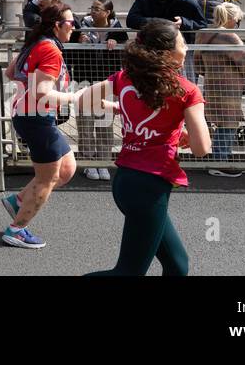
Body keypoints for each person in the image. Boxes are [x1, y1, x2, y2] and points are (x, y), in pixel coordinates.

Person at [83, 20, 211, 276]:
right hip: (148, 188)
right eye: (183, 43)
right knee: (128, 273)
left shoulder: (126, 77)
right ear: (166, 53)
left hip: (127, 182)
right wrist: (192, 127)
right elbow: (202, 148)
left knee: (177, 266)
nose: (186, 48)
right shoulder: (188, 90)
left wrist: (125, 110)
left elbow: (87, 98)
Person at [0, 3, 80, 249]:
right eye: (70, 23)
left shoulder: (37, 43)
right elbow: (41, 92)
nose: (74, 27)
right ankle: (16, 229)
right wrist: (75, 96)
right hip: (35, 118)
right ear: (57, 25)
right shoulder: (50, 49)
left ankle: (19, 201)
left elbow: (11, 73)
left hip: (32, 116)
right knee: (49, 177)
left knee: (67, 168)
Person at [194, 2, 245, 178]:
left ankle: (222, 156)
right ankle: (220, 161)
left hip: (212, 83)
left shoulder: (203, 34)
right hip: (230, 85)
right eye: (238, 20)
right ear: (230, 18)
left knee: (218, 120)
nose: (237, 24)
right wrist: (244, 75)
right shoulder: (229, 37)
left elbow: (197, 63)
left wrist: (208, 72)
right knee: (228, 122)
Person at [68, 0, 124, 180]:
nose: (93, 11)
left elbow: (123, 56)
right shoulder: (81, 27)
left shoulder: (118, 30)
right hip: (85, 80)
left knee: (105, 123)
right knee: (85, 123)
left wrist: (116, 45)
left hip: (107, 83)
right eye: (92, 8)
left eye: (97, 9)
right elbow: (70, 51)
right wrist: (78, 40)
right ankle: (88, 162)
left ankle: (103, 162)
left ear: (107, 13)